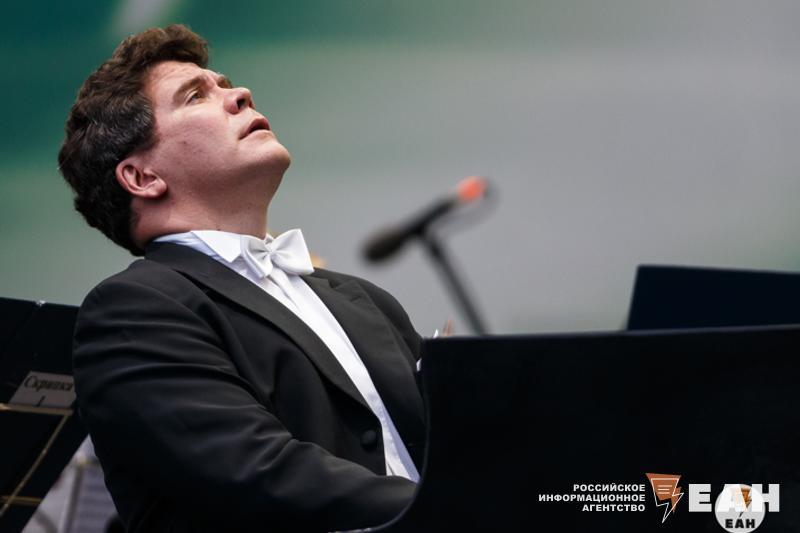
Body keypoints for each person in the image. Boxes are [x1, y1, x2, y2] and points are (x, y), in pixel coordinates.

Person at [58, 24, 426, 532]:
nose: (240, 94)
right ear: (143, 178)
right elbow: (259, 473)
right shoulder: (132, 309)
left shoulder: (365, 299)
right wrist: (459, 508)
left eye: (225, 84)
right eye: (195, 96)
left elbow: (463, 448)